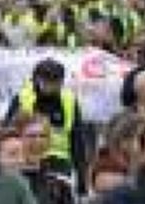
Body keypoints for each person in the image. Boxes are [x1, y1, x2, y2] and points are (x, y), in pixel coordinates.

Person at [6, 59, 88, 187]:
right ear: (36, 79)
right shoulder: (22, 98)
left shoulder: (69, 101)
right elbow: (8, 134)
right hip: (27, 160)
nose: (51, 86)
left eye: (55, 82)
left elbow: (77, 141)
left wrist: (82, 179)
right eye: (47, 81)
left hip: (59, 163)